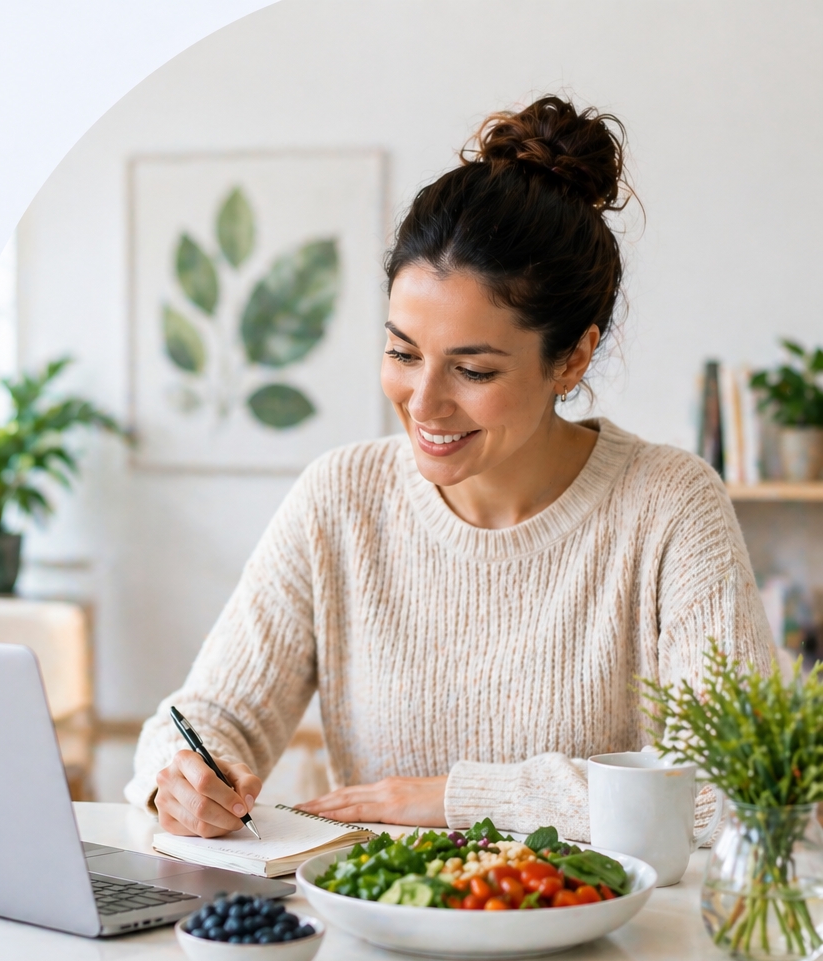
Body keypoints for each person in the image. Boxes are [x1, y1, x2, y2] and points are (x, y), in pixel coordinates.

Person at [126, 96, 772, 841]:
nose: (424, 403)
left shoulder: (669, 505)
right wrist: (180, 780)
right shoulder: (342, 498)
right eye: (403, 353)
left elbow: (731, 782)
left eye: (472, 370)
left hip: (604, 949)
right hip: (380, 936)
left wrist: (458, 800)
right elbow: (210, 717)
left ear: (573, 357)